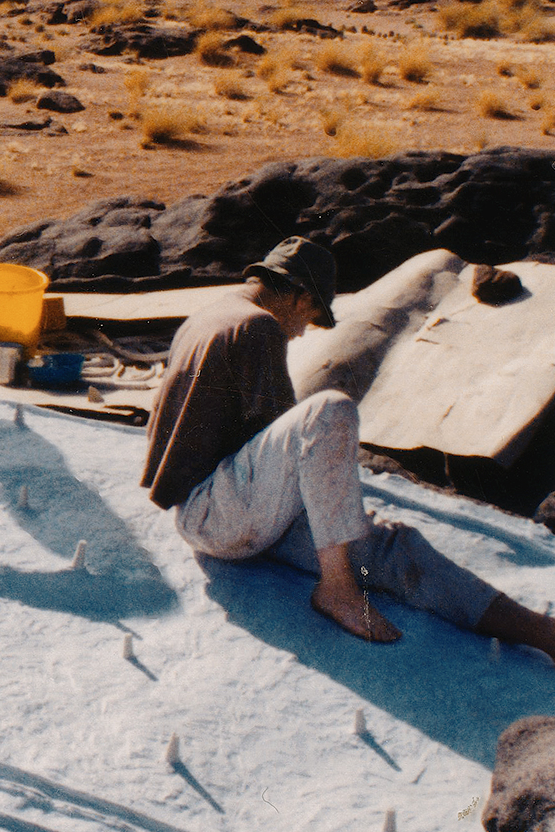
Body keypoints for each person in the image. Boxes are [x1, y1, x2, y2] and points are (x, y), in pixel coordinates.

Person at [142, 236, 555, 659]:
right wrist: (333, 502)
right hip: (218, 514)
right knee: (331, 409)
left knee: (393, 549)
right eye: (311, 315)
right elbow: (289, 435)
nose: (303, 331)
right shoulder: (256, 326)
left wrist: (340, 516)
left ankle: (544, 634)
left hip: (219, 510)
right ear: (300, 294)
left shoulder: (212, 314)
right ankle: (338, 588)